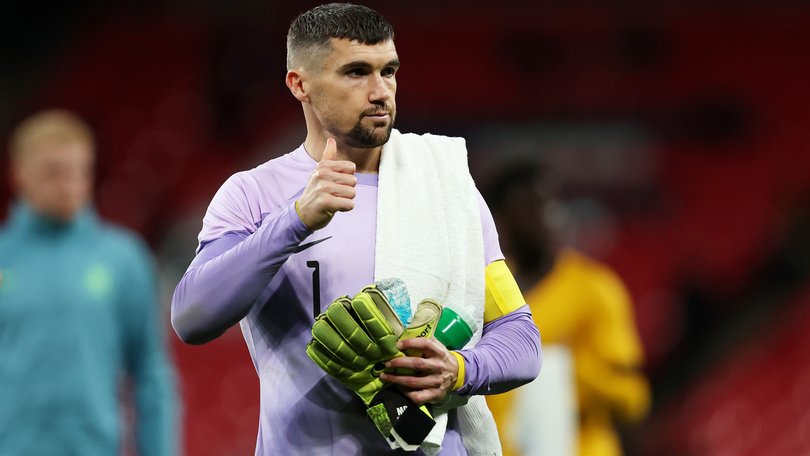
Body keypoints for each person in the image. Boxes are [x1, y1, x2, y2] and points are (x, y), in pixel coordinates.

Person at [171, 3, 541, 455]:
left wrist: (459, 370)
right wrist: (295, 219)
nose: (380, 91)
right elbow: (191, 317)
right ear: (299, 84)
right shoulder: (254, 194)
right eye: (356, 72)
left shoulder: (446, 186)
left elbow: (520, 337)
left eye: (389, 71)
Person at [0, 110, 177, 455]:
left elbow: (151, 375)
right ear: (18, 174)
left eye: (79, 171)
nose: (68, 185)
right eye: (53, 172)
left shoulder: (123, 259)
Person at [484, 162, 650, 456]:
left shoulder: (595, 289)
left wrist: (567, 374)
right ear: (498, 220)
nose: (544, 217)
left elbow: (633, 398)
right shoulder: (479, 292)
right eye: (527, 207)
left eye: (549, 205)